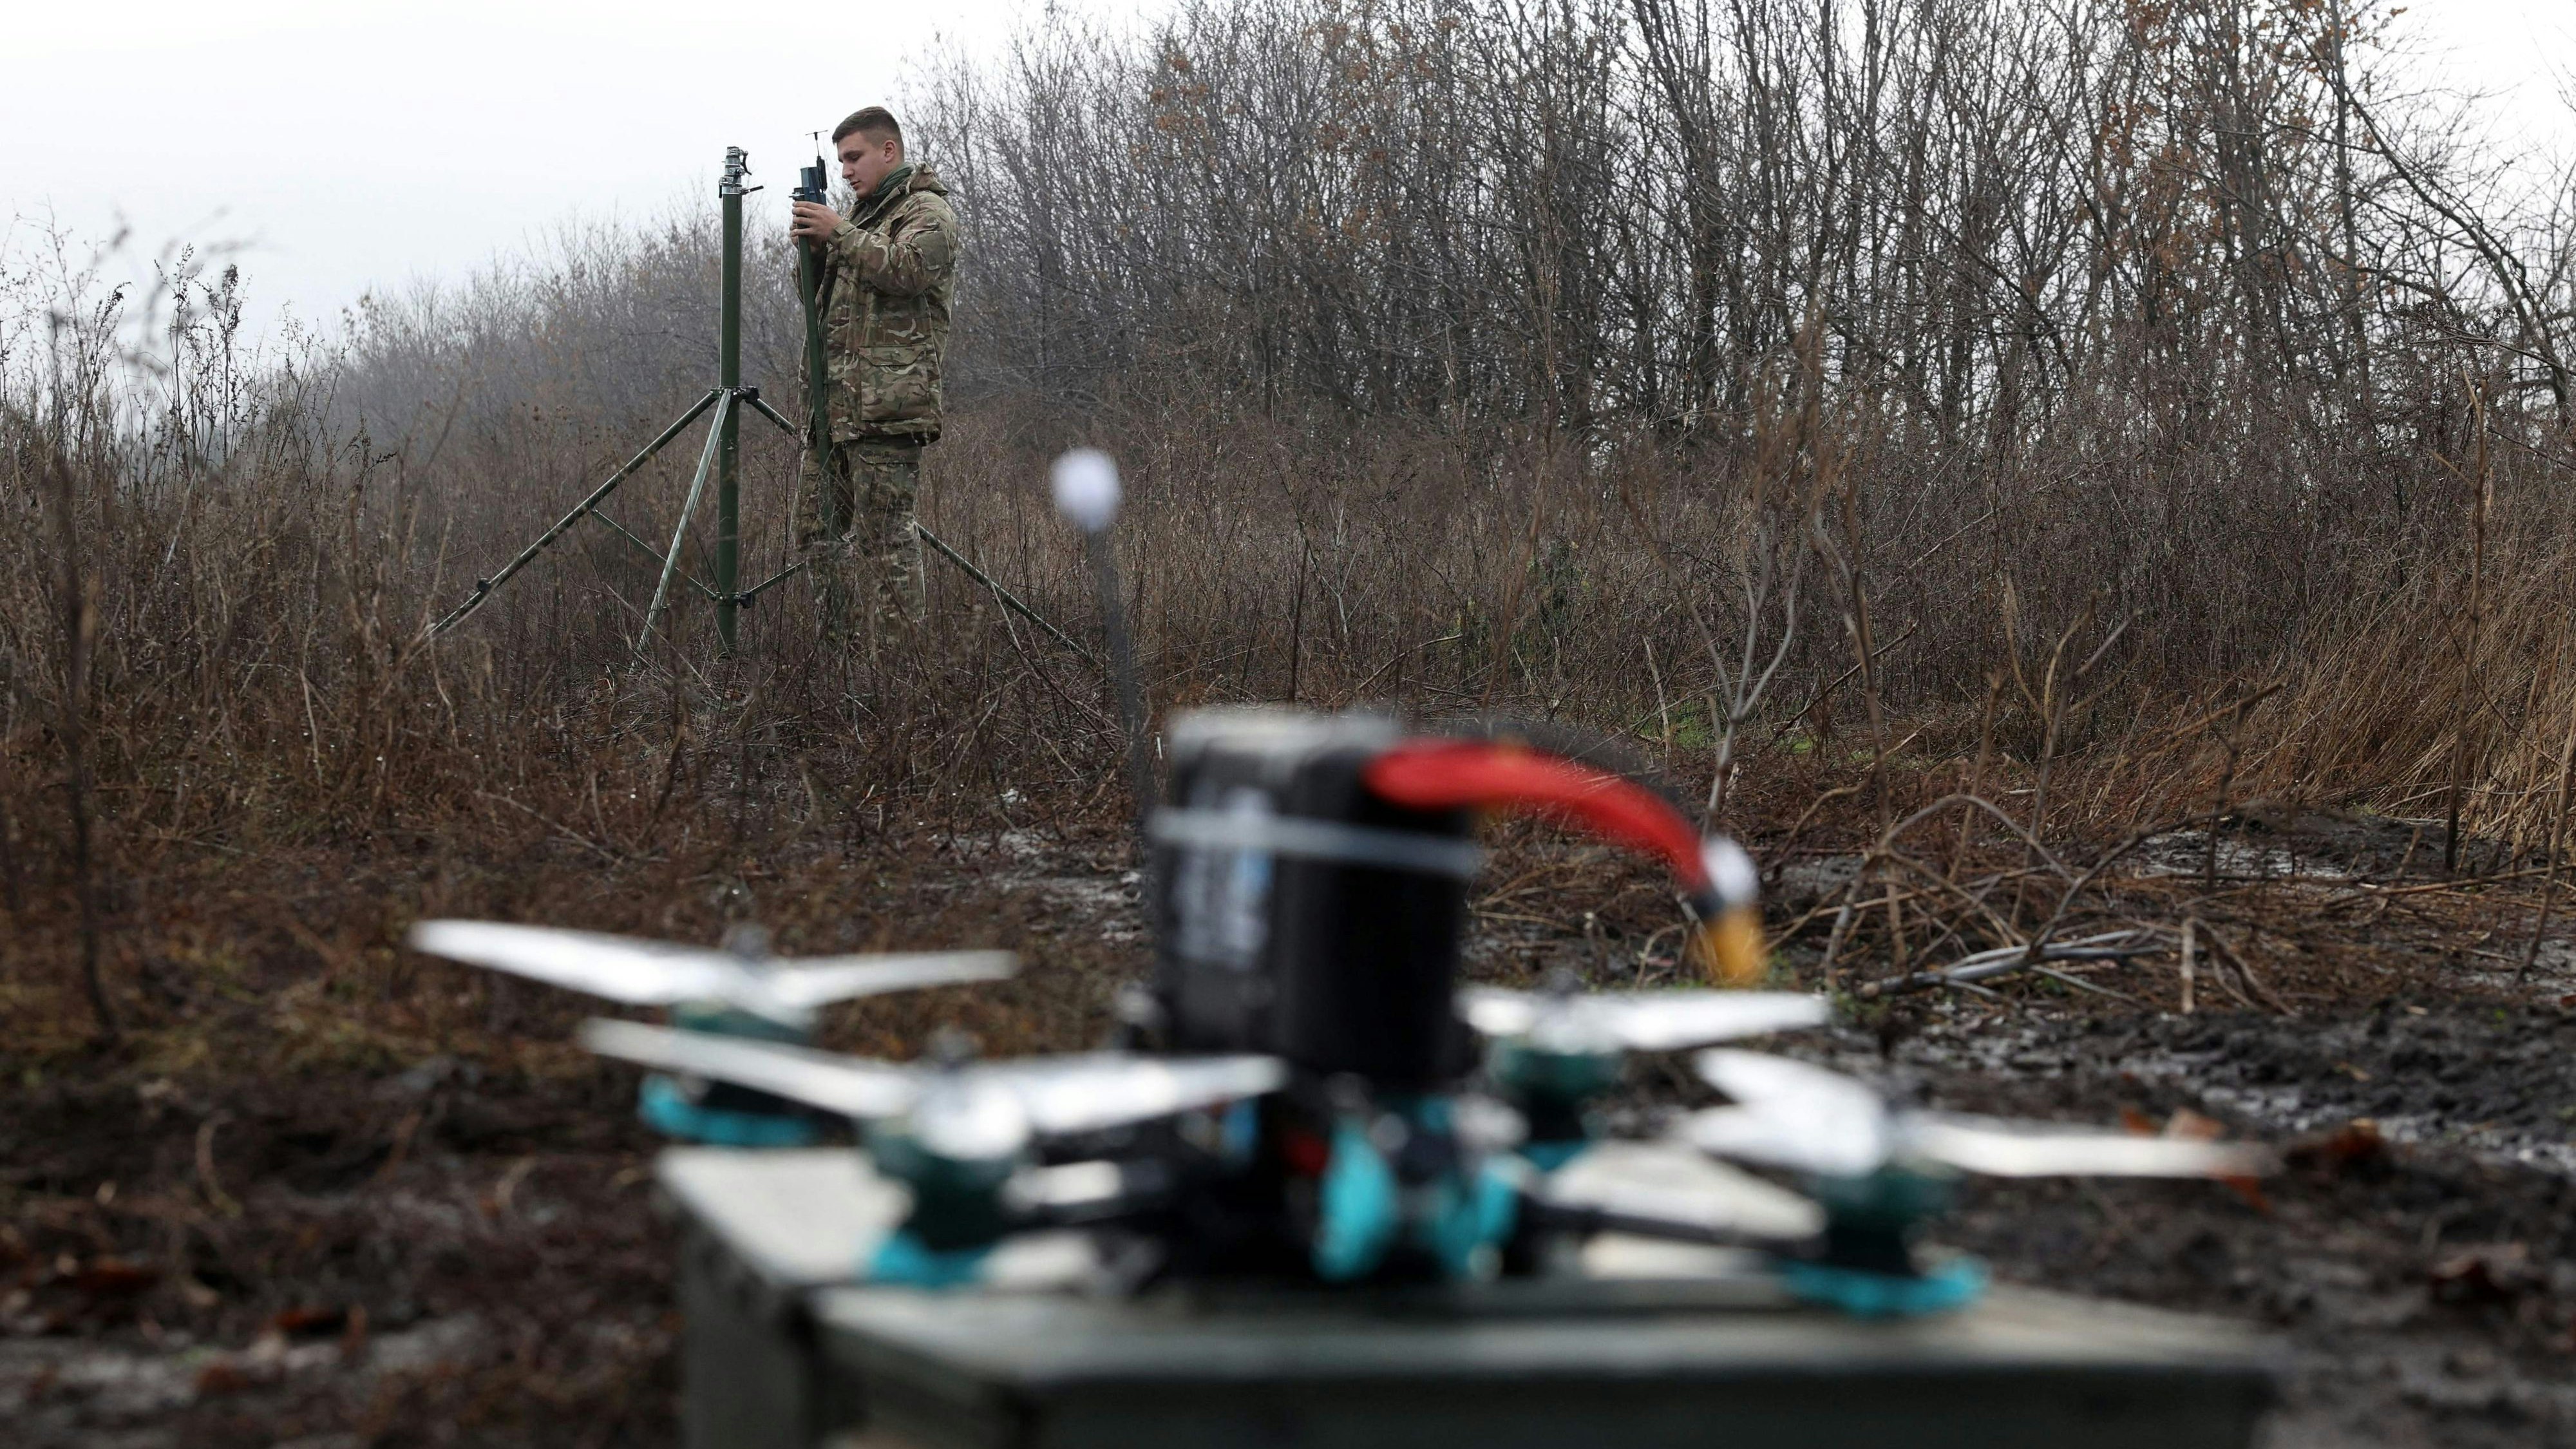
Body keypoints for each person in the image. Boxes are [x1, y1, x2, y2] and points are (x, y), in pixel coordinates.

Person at [788, 106, 960, 651]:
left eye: (855, 157)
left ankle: (899, 678)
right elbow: (819, 305)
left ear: (890, 151)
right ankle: (840, 659)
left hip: (887, 411)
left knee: (886, 542)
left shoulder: (928, 212)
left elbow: (909, 270)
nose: (845, 172)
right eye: (840, 161)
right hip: (835, 409)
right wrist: (814, 253)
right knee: (816, 533)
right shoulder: (859, 222)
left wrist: (838, 233)